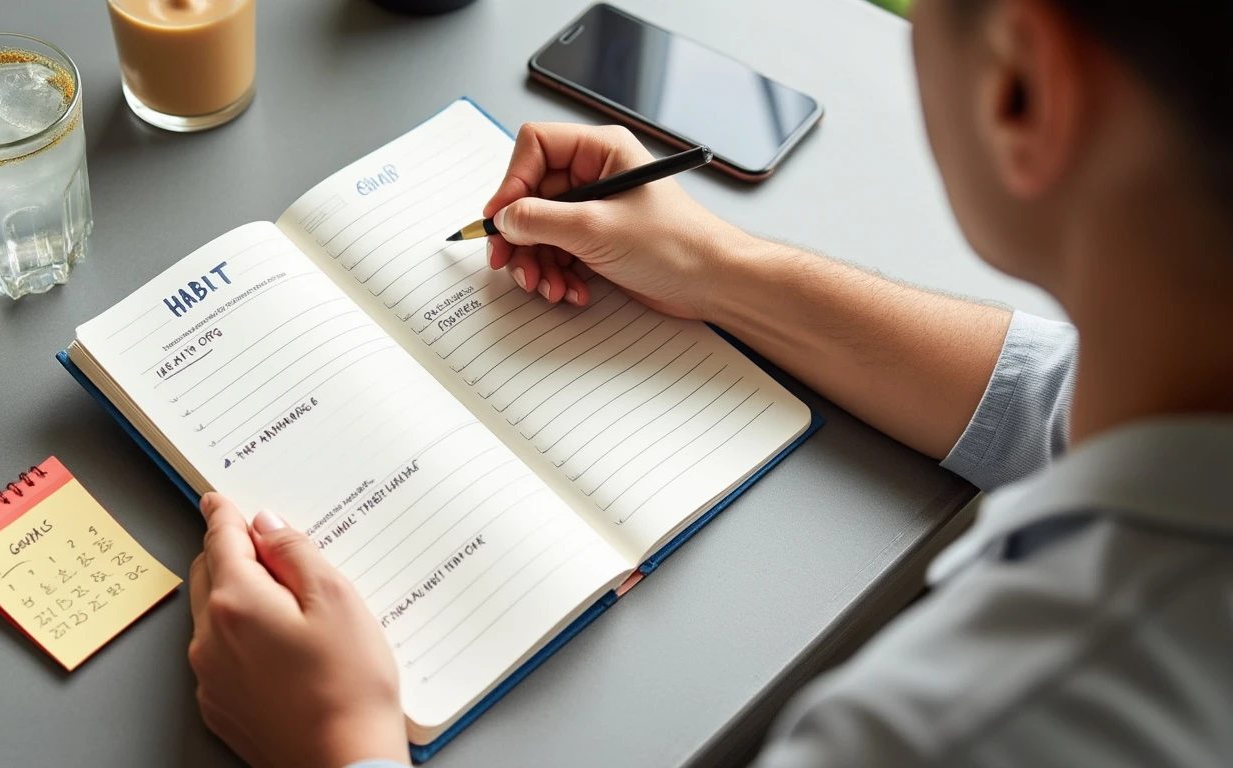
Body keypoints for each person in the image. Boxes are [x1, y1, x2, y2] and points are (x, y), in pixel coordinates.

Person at [184, 0, 1233, 765]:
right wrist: (723, 270)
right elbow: (1049, 399)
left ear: (1021, 89)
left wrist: (341, 744)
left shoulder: (951, 730)